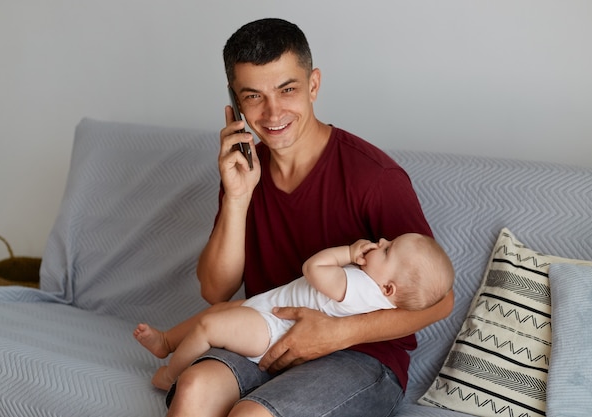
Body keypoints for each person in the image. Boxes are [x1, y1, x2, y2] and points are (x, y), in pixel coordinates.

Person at [167, 18, 454, 417]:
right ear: (235, 103)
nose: (272, 112)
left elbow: (441, 302)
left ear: (314, 84)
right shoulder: (244, 172)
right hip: (267, 333)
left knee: (252, 415)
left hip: (359, 355)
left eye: (287, 89)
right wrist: (237, 197)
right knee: (194, 389)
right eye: (253, 97)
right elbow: (215, 292)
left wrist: (335, 333)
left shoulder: (375, 178)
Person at [134, 233, 454, 391]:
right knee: (219, 309)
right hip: (270, 308)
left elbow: (313, 268)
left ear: (388, 289)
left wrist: (348, 252)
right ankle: (166, 341)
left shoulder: (357, 289)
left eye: (387, 249)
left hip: (272, 326)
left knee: (209, 324)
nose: (380, 240)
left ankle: (170, 374)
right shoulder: (377, 294)